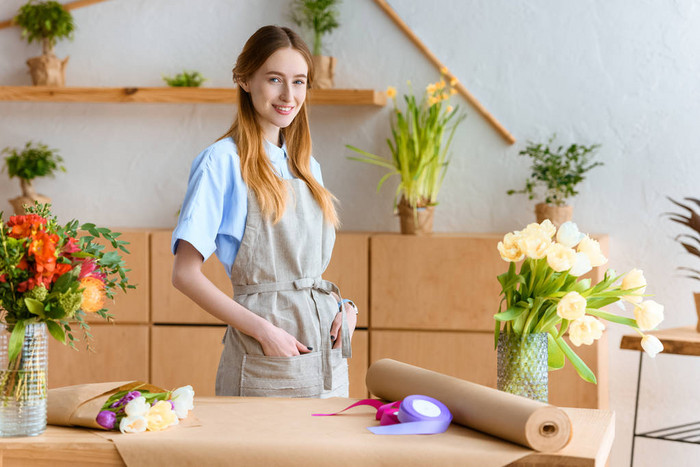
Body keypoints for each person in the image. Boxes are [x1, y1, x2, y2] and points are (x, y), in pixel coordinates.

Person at [171, 25, 356, 398]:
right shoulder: (221, 163)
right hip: (264, 356)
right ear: (244, 79)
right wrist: (263, 331)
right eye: (275, 79)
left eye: (299, 82)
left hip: (326, 353)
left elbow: (302, 272)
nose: (289, 95)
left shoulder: (307, 166)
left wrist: (345, 308)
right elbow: (185, 275)